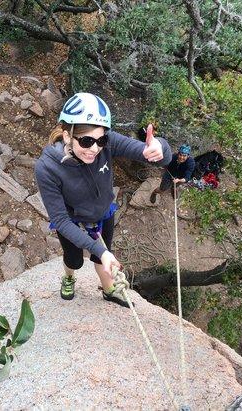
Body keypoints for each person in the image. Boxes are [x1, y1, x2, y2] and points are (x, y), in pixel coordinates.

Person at [35, 92, 171, 307]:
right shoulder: (47, 167)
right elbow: (59, 219)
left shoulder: (107, 144)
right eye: (87, 141)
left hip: (102, 211)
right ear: (67, 135)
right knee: (74, 260)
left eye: (101, 140)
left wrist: (160, 149)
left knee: (103, 256)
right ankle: (69, 277)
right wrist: (98, 249)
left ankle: (109, 290)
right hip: (71, 219)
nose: (95, 149)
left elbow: (150, 154)